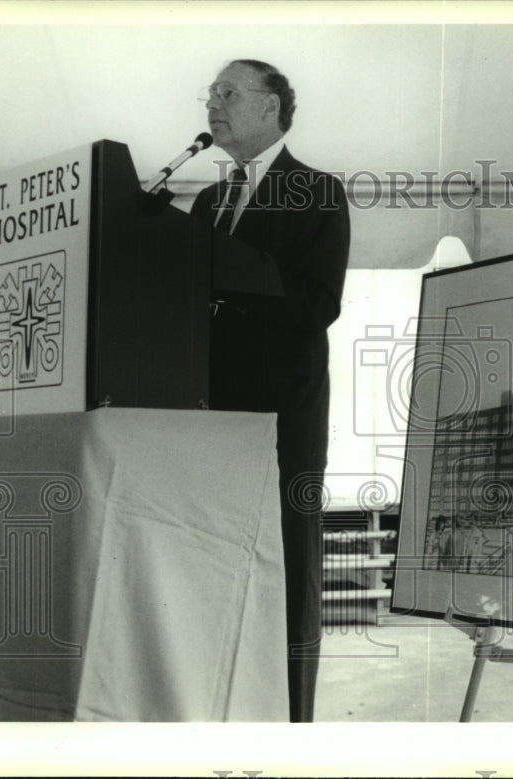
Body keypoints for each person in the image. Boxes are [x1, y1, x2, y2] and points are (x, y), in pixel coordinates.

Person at [190, 59, 351, 722]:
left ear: (270, 106)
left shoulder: (316, 190)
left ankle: (292, 726)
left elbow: (317, 303)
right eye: (211, 93)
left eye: (228, 92)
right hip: (209, 420)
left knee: (287, 571)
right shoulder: (205, 203)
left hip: (283, 420)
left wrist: (227, 301)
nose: (212, 103)